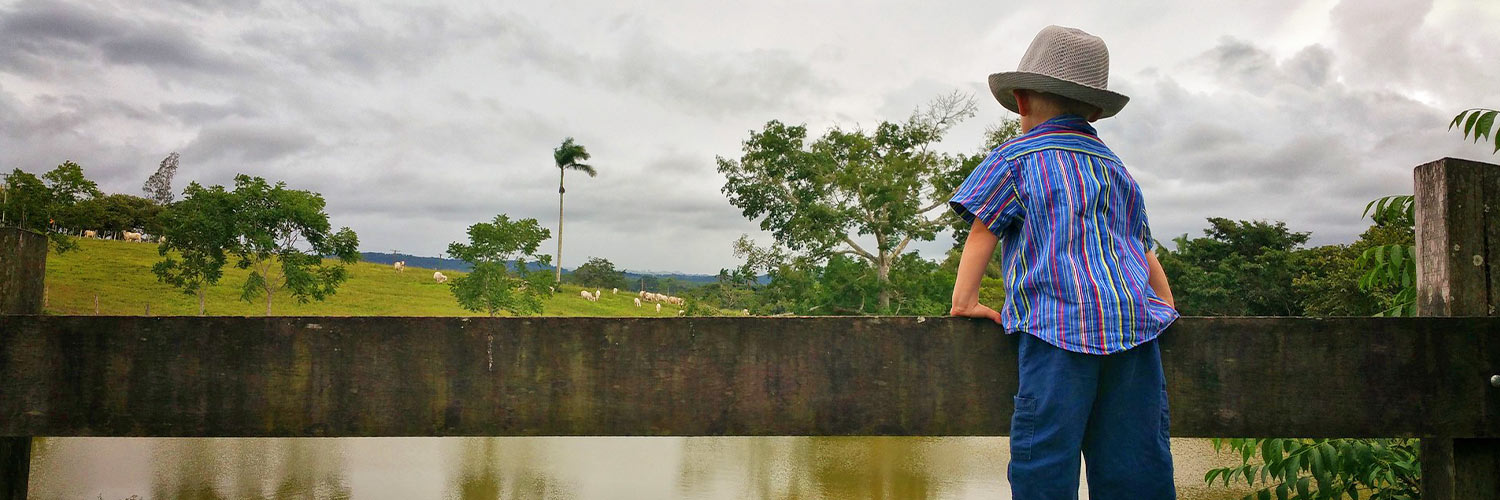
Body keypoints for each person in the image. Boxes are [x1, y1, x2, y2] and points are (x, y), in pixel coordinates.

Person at [947, 25, 1179, 500]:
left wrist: (965, 300)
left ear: (1021, 102)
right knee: (1135, 459)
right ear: (1095, 111)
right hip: (1134, 328)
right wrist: (1164, 306)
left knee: (1045, 454)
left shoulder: (1015, 158)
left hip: (1057, 327)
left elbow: (983, 228)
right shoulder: (1116, 168)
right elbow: (1143, 245)